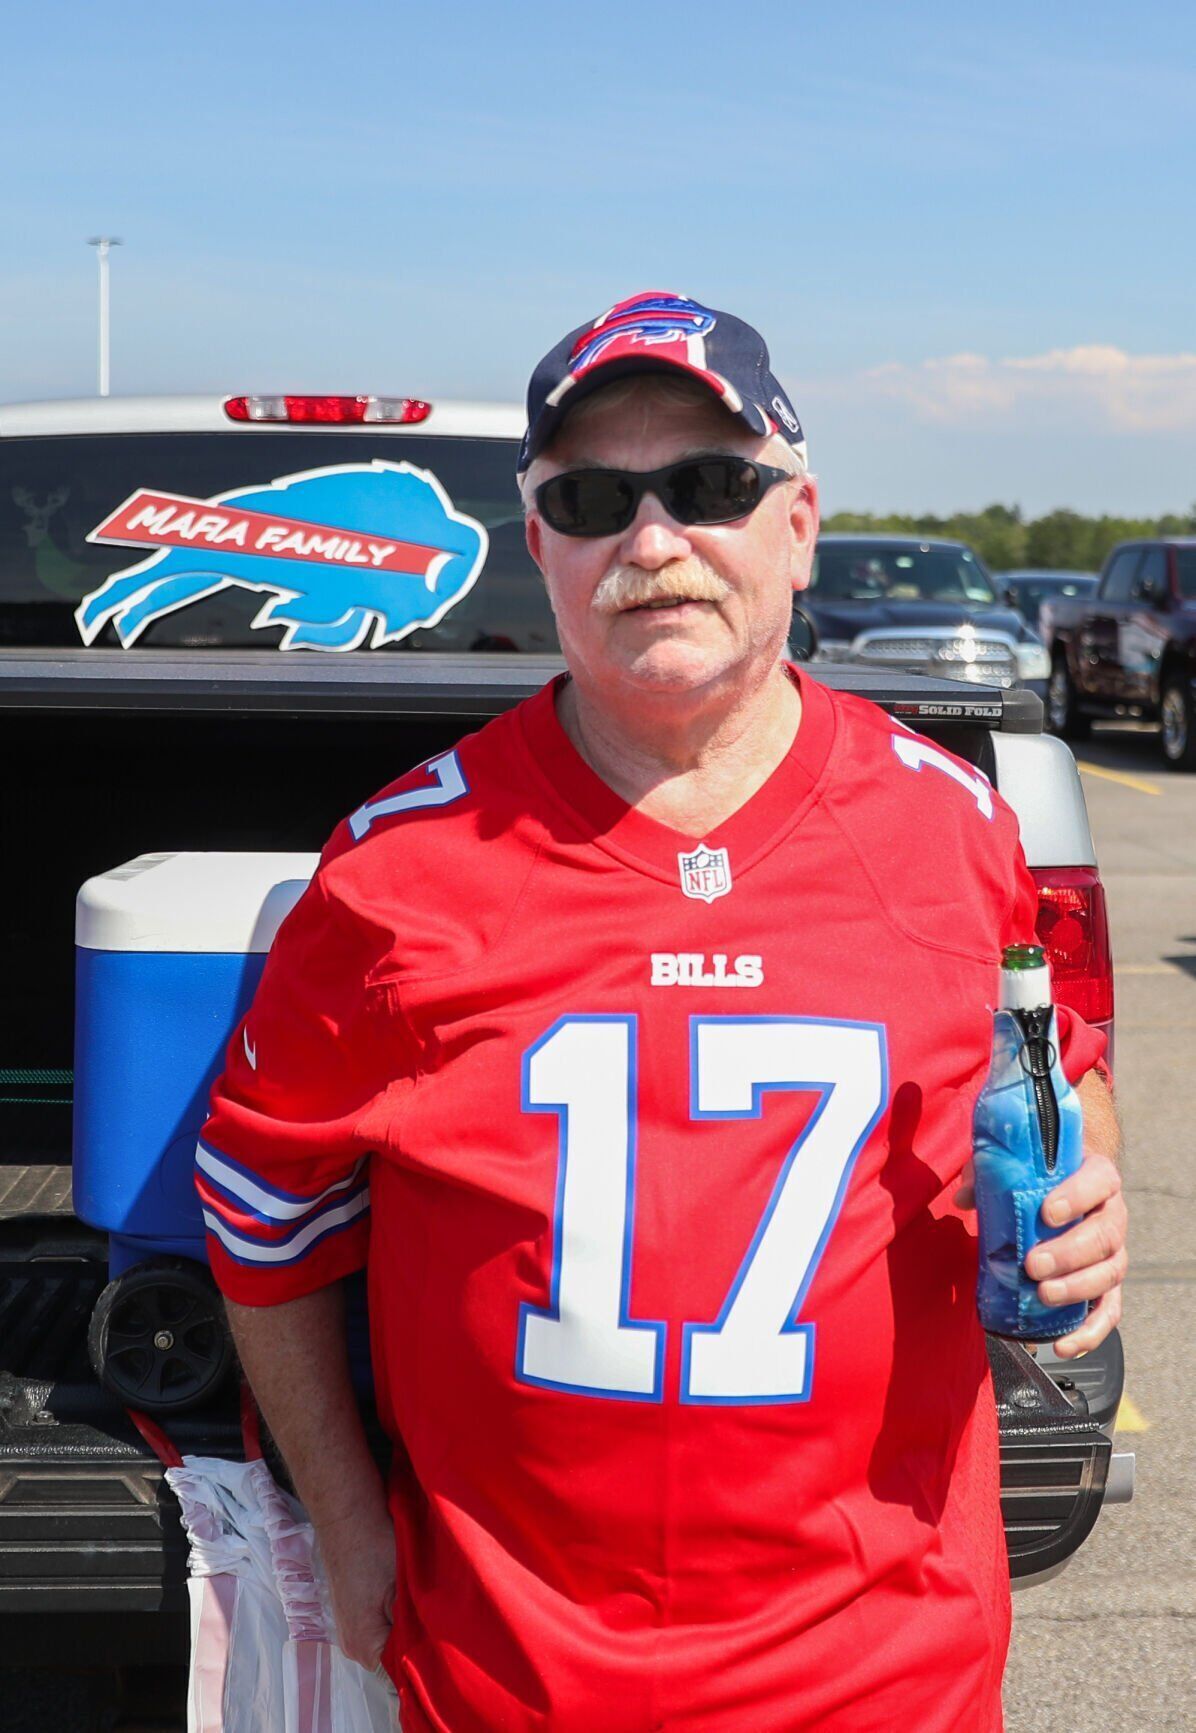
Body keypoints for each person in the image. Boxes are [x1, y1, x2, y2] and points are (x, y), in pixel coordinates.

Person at [199, 290, 1126, 1731]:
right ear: (539, 549)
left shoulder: (955, 834)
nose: (651, 541)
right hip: (513, 1685)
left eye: (709, 486)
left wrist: (1089, 1199)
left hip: (891, 1682)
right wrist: (348, 1517)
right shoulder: (398, 871)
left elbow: (1055, 1071)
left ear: (800, 521)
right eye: (592, 498)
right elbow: (261, 1207)